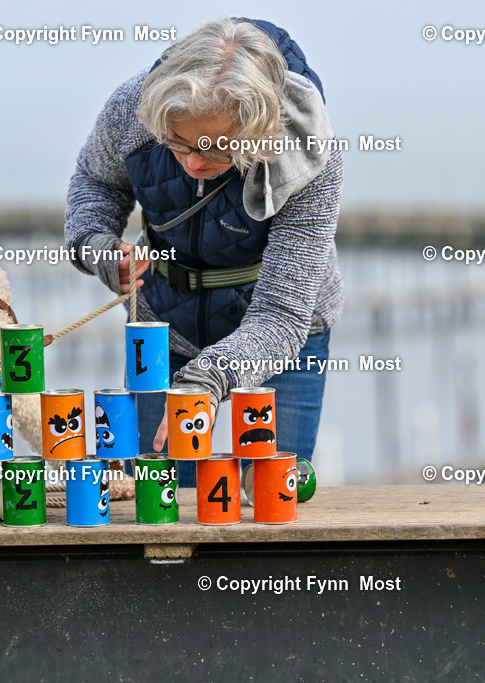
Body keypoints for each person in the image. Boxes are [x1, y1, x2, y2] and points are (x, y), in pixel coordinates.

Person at [64, 17, 343, 487]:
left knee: (269, 499)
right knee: (157, 500)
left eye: (216, 149)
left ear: (258, 131)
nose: (194, 162)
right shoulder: (131, 107)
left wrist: (209, 378)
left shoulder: (310, 154)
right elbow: (96, 182)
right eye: (178, 142)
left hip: (280, 334)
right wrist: (96, 246)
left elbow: (280, 314)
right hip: (163, 328)